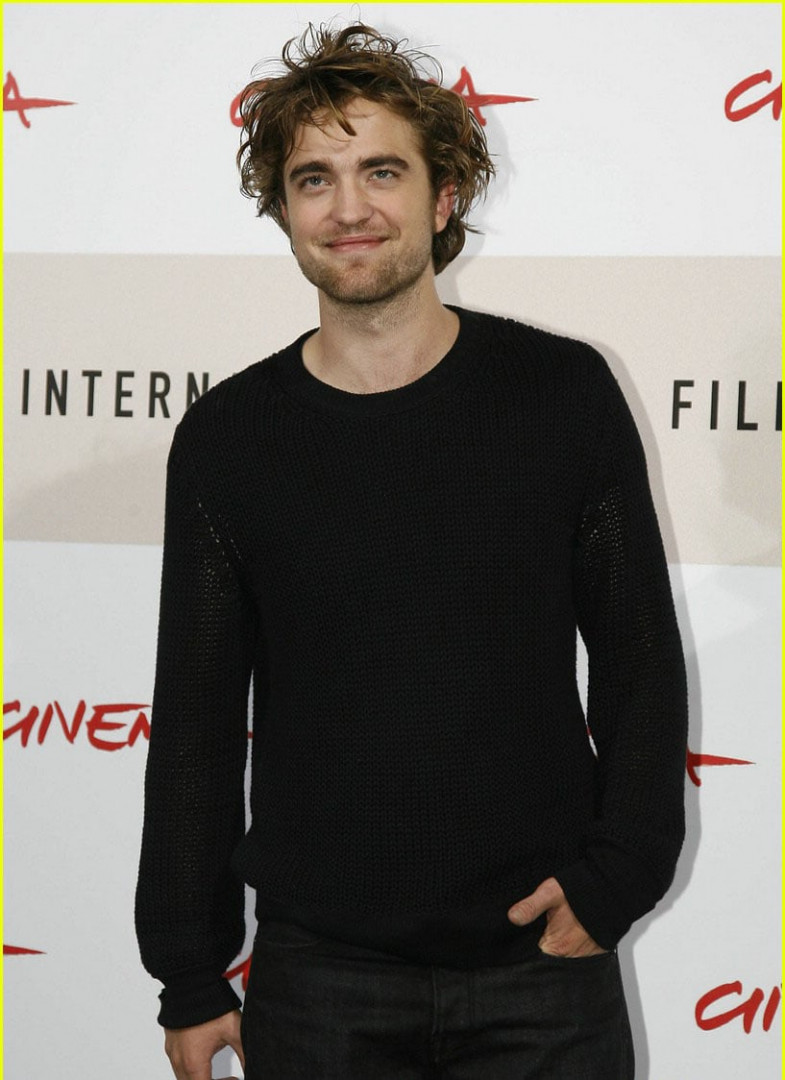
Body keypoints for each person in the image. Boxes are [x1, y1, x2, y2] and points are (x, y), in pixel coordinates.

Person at [135, 23, 688, 1080]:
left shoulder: (559, 395)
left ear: (443, 200)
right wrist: (191, 973)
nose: (348, 208)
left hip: (542, 966)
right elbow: (196, 721)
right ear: (284, 212)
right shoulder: (230, 439)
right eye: (314, 179)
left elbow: (638, 660)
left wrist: (618, 877)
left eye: (381, 171)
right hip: (318, 982)